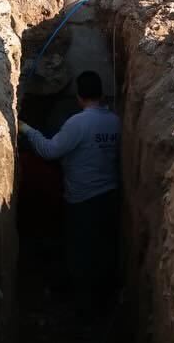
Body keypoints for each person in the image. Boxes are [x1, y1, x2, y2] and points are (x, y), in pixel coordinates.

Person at [20, 70, 121, 314]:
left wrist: (26, 129)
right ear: (101, 93)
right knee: (104, 253)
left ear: (79, 95)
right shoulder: (115, 121)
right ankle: (105, 304)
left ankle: (84, 310)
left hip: (83, 202)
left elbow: (49, 150)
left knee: (80, 255)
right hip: (111, 197)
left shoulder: (78, 123)